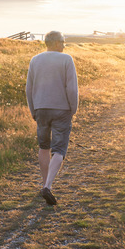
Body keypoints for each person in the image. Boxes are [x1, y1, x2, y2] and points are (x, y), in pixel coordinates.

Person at [25, 31, 79, 206]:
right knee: (59, 150)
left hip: (40, 108)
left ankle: (44, 184)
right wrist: (74, 108)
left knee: (43, 147)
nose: (64, 45)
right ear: (56, 43)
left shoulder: (35, 60)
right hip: (61, 109)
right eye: (63, 42)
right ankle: (47, 186)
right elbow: (71, 88)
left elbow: (29, 88)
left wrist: (33, 109)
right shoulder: (66, 60)